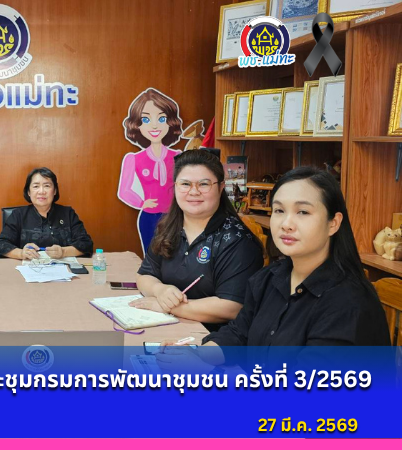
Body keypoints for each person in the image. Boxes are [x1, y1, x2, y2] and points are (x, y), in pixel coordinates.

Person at [155, 167, 391, 371]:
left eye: (303, 212)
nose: (286, 224)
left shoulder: (348, 303)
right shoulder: (270, 278)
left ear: (334, 223)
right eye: (279, 211)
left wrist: (205, 373)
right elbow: (238, 334)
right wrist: (198, 356)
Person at [129, 149, 264, 331]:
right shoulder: (168, 227)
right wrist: (160, 290)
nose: (194, 192)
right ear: (175, 187)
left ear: (221, 188)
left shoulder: (238, 240)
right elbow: (144, 275)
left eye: (204, 184)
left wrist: (171, 307)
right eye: (185, 184)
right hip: (167, 327)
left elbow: (231, 307)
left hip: (214, 338)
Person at [118, 88, 183, 253]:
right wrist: (141, 203)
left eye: (161, 119)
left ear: (170, 122)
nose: (154, 125)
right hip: (149, 217)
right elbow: (124, 190)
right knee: (151, 256)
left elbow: (184, 184)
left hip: (174, 215)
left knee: (174, 255)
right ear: (137, 125)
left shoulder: (177, 156)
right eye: (146, 120)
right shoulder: (134, 158)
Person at [0, 167, 94, 260]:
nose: (41, 191)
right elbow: (0, 244)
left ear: (54, 191)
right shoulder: (18, 215)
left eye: (47, 186)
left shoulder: (68, 213)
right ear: (28, 192)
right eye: (36, 186)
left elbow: (86, 244)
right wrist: (21, 253)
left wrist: (63, 252)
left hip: (63, 269)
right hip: (28, 268)